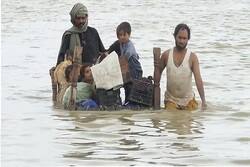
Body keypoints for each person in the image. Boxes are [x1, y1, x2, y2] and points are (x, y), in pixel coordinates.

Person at [155, 23, 207, 110]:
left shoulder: (192, 57)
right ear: (175, 37)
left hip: (188, 100)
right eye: (179, 37)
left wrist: (204, 101)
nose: (182, 41)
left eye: (184, 38)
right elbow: (158, 73)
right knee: (172, 119)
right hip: (171, 100)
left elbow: (198, 80)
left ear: (188, 39)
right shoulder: (166, 55)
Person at [106, 21, 143, 104]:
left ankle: (130, 102)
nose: (122, 37)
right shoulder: (121, 44)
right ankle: (126, 101)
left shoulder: (130, 45)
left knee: (131, 86)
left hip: (135, 69)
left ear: (129, 35)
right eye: (120, 35)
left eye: (124, 35)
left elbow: (126, 56)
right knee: (126, 85)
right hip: (128, 68)